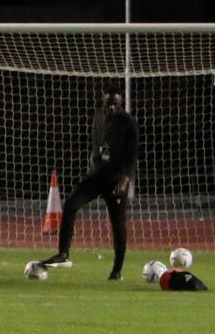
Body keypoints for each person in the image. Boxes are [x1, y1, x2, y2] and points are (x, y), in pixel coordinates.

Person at [36, 88, 140, 280]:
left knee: (118, 224)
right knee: (71, 204)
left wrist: (126, 179)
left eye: (115, 104)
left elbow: (133, 154)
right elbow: (98, 144)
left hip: (117, 179)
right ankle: (63, 254)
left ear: (121, 103)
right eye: (108, 103)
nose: (111, 107)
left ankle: (117, 270)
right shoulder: (100, 117)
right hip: (98, 175)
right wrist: (95, 156)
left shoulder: (128, 122)